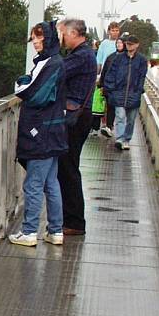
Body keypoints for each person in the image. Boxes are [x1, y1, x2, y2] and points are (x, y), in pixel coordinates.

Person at [9, 22, 68, 247]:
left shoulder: (50, 64)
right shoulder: (53, 62)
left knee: (33, 184)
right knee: (51, 182)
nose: (35, 41)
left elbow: (32, 93)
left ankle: (29, 231)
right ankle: (55, 231)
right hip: (53, 130)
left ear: (49, 38)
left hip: (40, 132)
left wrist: (21, 83)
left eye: (39, 37)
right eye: (33, 37)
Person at [57, 18, 97, 236]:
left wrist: (51, 49)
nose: (61, 38)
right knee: (67, 167)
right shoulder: (83, 54)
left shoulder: (81, 56)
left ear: (73, 33)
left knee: (68, 168)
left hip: (75, 118)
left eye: (62, 34)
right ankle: (71, 219)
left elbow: (55, 71)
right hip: (78, 117)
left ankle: (74, 222)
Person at [103, 34, 148, 150]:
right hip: (119, 92)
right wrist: (111, 88)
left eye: (131, 44)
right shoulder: (118, 58)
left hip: (133, 93)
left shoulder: (141, 60)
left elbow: (142, 76)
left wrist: (138, 90)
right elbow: (111, 73)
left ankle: (127, 139)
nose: (128, 46)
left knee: (131, 119)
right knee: (120, 116)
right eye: (127, 44)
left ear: (137, 45)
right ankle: (120, 139)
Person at [96, 22, 121, 137]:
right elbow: (99, 60)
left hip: (117, 78)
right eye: (113, 30)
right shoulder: (104, 44)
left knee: (112, 102)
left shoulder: (121, 44)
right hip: (105, 76)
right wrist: (98, 76)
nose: (115, 32)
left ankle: (109, 125)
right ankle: (102, 123)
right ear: (109, 31)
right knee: (102, 100)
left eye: (117, 30)